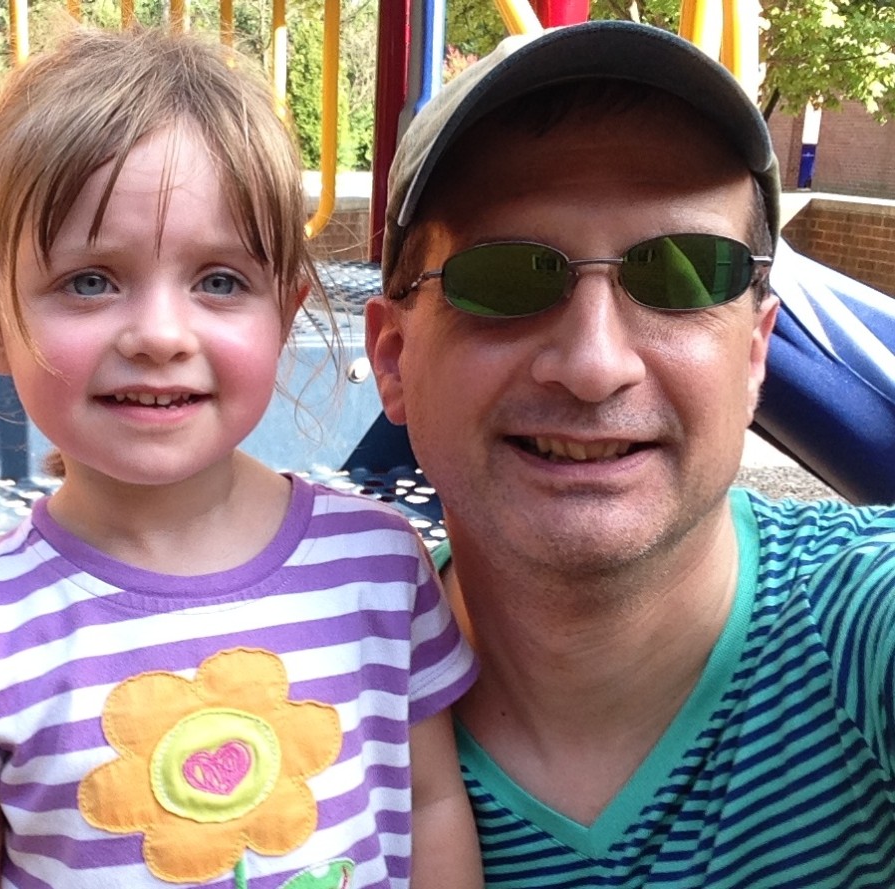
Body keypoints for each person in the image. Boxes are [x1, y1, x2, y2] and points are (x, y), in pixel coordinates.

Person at [0, 26, 481, 889]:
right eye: (90, 280)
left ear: (285, 312)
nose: (160, 334)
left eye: (219, 281)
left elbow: (428, 805)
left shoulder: (380, 568)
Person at [367, 19, 895, 887]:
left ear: (754, 353)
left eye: (682, 273)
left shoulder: (862, 625)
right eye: (507, 276)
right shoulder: (306, 696)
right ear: (394, 360)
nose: (593, 363)